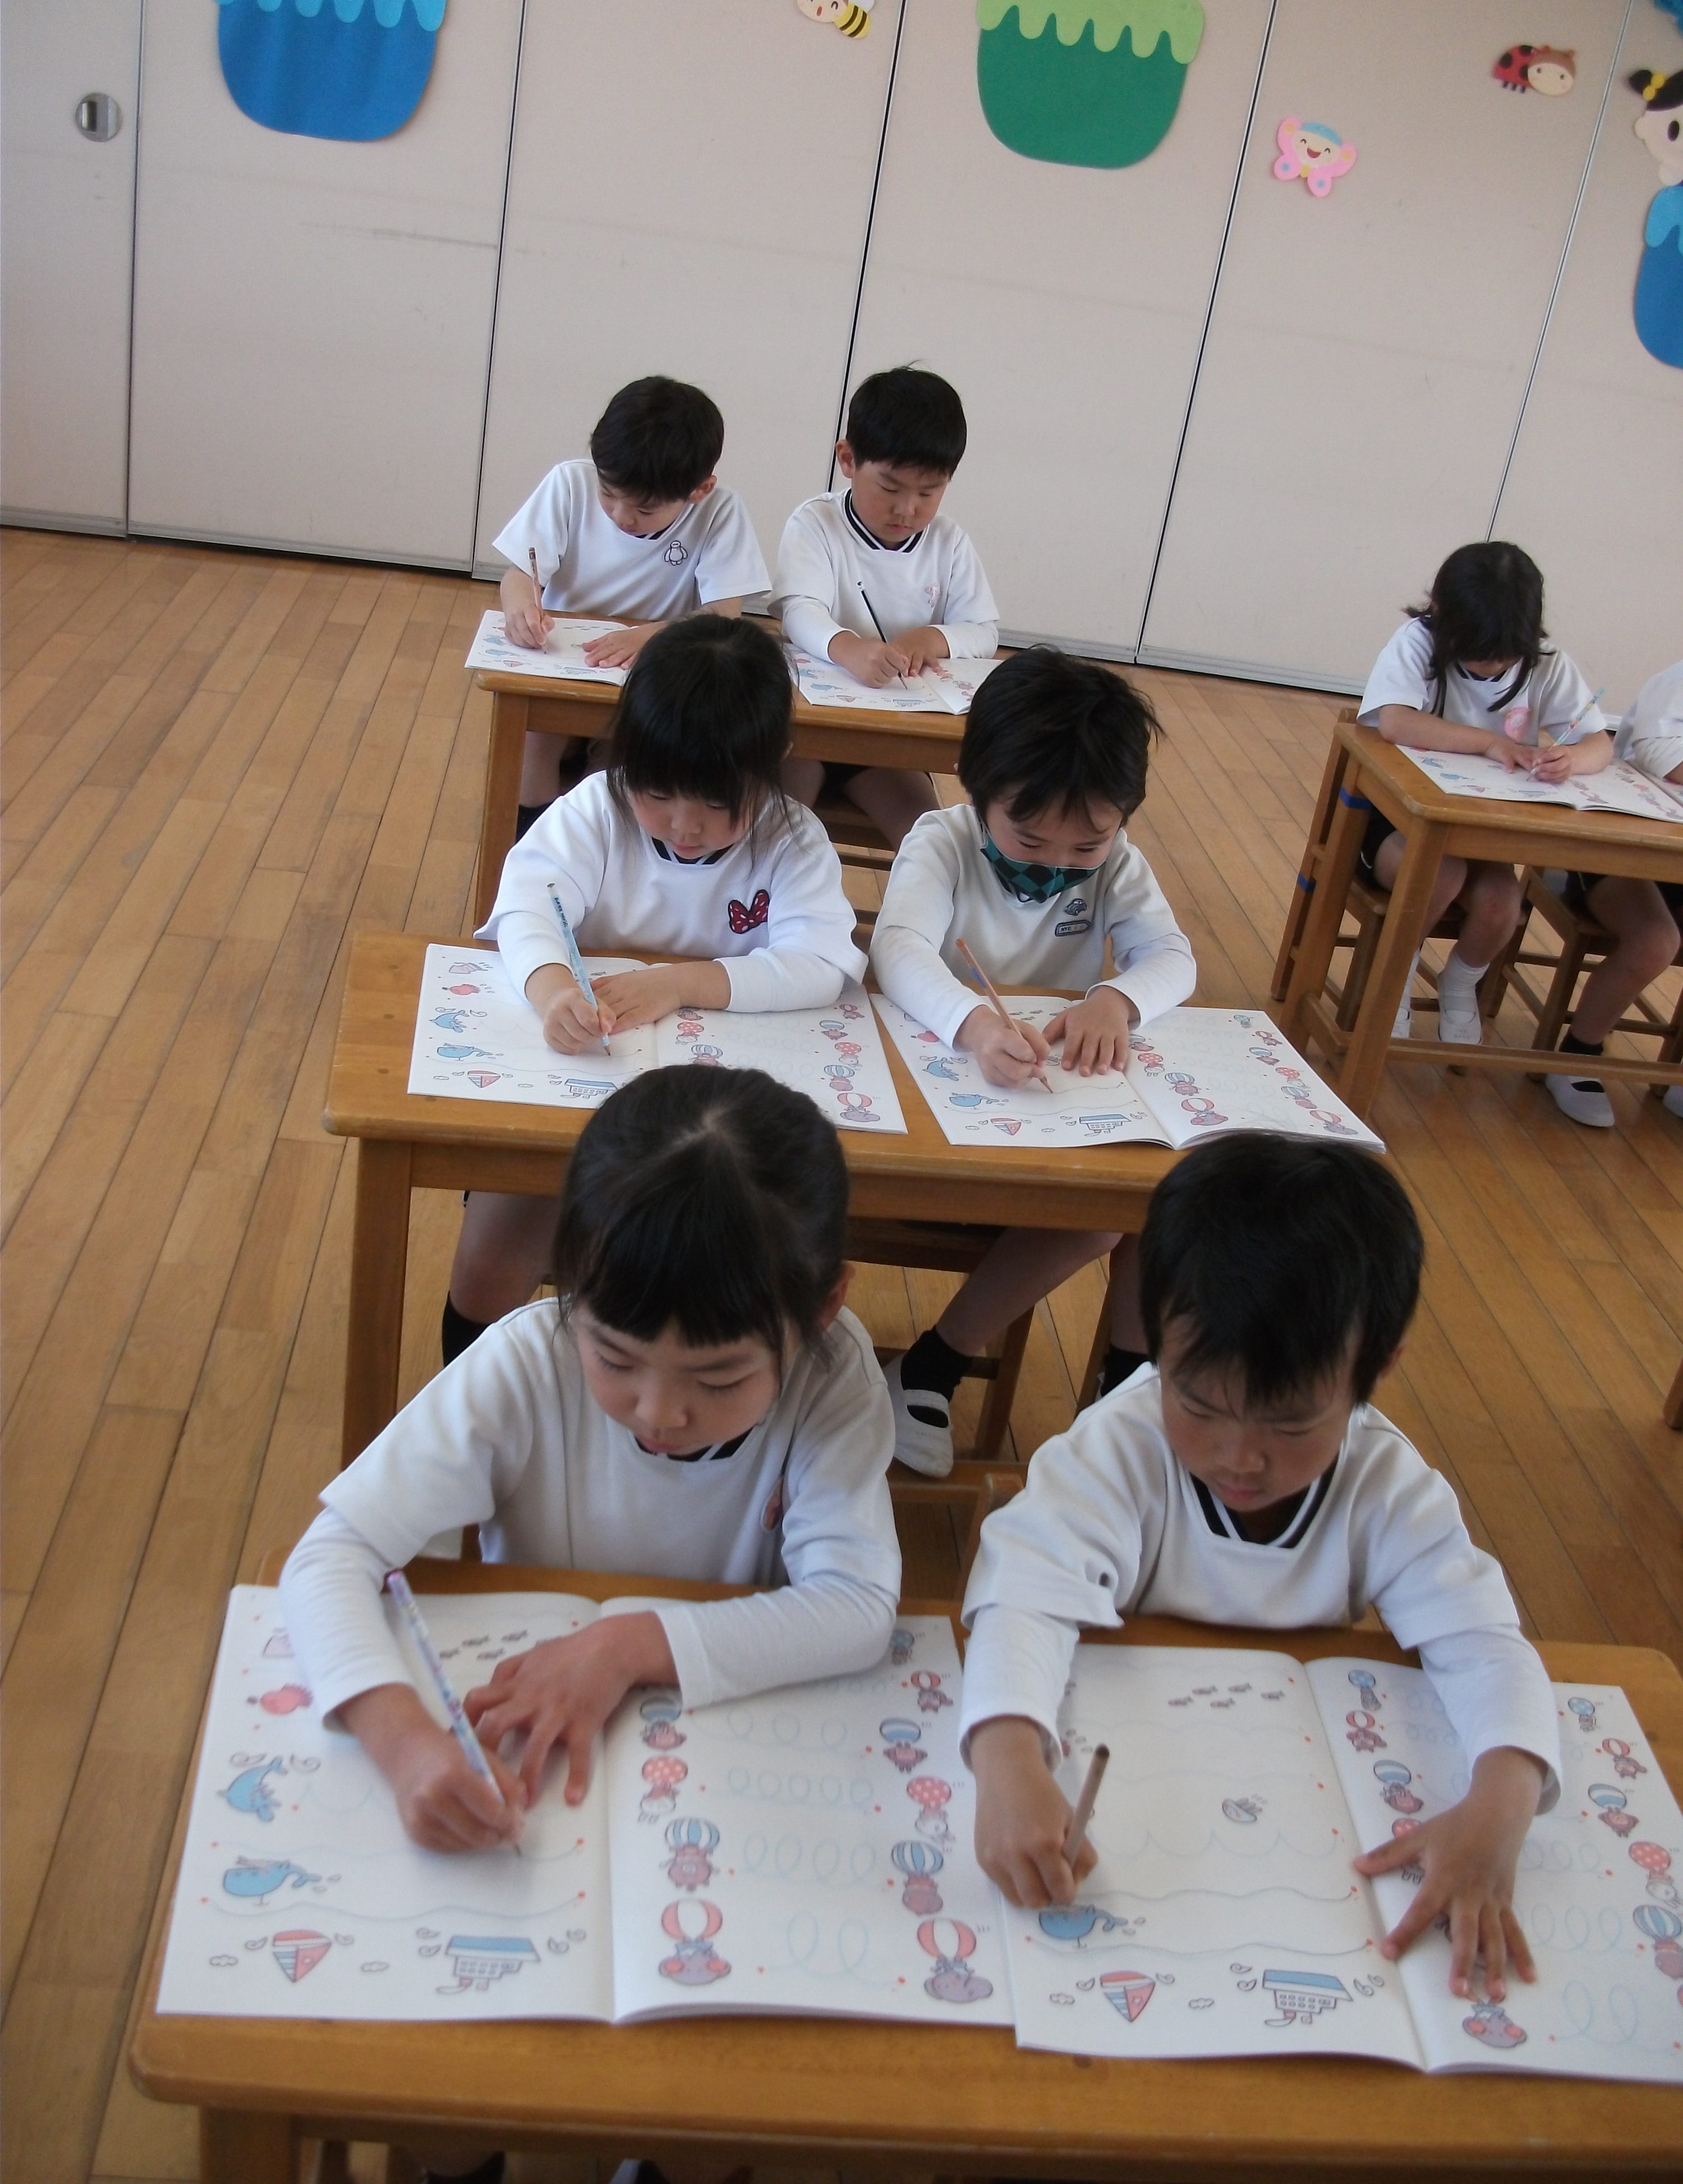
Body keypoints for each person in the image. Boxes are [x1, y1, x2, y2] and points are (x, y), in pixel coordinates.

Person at [282, 1067, 899, 2184]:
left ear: (821, 1309)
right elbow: (331, 1553)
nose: (660, 1412)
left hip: (722, 1773)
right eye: (616, 1358)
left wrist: (623, 1644)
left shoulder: (833, 1380)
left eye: (717, 1377)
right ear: (569, 1281)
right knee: (449, 2079)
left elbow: (858, 1606)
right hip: (521, 1778)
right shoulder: (528, 1358)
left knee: (712, 2102)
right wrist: (403, 1741)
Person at [960, 1134, 1560, 2003]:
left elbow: (1484, 1644)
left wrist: (1501, 1803)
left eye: (1291, 1424)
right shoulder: (1120, 1448)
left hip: (1298, 1821)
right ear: (1154, 1341)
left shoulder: (1386, 1486)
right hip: (1144, 1803)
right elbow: (1024, 1597)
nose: (1238, 1457)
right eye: (1198, 1405)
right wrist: (1008, 1755)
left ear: (1376, 1369)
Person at [443, 614, 864, 1359]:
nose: (684, 826)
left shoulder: (792, 839)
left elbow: (824, 963)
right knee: (487, 1270)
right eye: (659, 792)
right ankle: (485, 1390)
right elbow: (527, 906)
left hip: (717, 1133)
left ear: (773, 765)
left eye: (718, 803)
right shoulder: (595, 811)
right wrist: (551, 990)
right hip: (581, 1089)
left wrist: (682, 983)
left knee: (705, 1283)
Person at [869, 648, 1194, 1473]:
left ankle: (1122, 1395)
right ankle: (935, 1366)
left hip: (1040, 1106)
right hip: (932, 1094)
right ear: (977, 790)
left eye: (1088, 844)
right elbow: (898, 950)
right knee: (1106, 1208)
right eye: (1028, 836)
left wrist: (1115, 1000)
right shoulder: (942, 841)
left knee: (1141, 1197)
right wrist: (975, 1025)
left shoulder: (1118, 865)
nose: (1055, 863)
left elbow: (1173, 958)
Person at [1356, 541, 1611, 1045]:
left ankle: (1459, 983)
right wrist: (1491, 743)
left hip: (1484, 834)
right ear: (1442, 614)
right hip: (1398, 825)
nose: (1491, 668)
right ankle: (1397, 974)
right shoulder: (1416, 642)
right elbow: (1395, 721)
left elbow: (1600, 743)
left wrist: (1571, 758)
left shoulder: (1548, 664)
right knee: (1439, 873)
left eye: (1504, 657)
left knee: (1502, 905)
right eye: (1477, 653)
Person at [493, 375, 769, 828]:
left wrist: (655, 637)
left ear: (700, 489)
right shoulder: (569, 483)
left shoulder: (720, 511)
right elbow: (520, 573)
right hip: (566, 661)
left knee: (624, 762)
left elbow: (724, 615)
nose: (622, 516)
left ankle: (597, 842)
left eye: (644, 509)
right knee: (535, 742)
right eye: (608, 494)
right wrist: (521, 606)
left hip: (655, 678)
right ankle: (533, 841)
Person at [773, 365, 999, 846]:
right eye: (891, 488)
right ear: (848, 459)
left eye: (928, 492)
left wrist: (931, 638)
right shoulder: (816, 524)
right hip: (804, 730)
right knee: (781, 832)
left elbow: (983, 631)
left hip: (890, 738)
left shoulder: (949, 542)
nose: (907, 509)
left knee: (928, 839)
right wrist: (849, 648)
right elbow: (799, 610)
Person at [1543, 658, 1683, 1128]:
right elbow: (1664, 756)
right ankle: (1579, 1054)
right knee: (1656, 941)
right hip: (1626, 849)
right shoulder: (1677, 681)